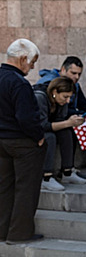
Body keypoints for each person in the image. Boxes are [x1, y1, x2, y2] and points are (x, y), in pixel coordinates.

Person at [0, 39, 46, 244]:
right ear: (22, 59)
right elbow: (26, 118)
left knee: (4, 188)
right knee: (26, 188)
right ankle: (19, 233)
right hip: (22, 142)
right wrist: (39, 137)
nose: (32, 66)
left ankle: (2, 231)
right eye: (32, 61)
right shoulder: (19, 83)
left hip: (2, 142)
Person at [34, 77, 86, 191]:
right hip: (32, 131)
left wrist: (72, 121)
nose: (67, 100)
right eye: (65, 97)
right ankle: (46, 177)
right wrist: (68, 122)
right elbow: (42, 126)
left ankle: (67, 173)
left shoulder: (61, 101)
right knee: (50, 137)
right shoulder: (40, 97)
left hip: (46, 127)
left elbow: (60, 119)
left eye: (69, 97)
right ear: (54, 92)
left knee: (66, 132)